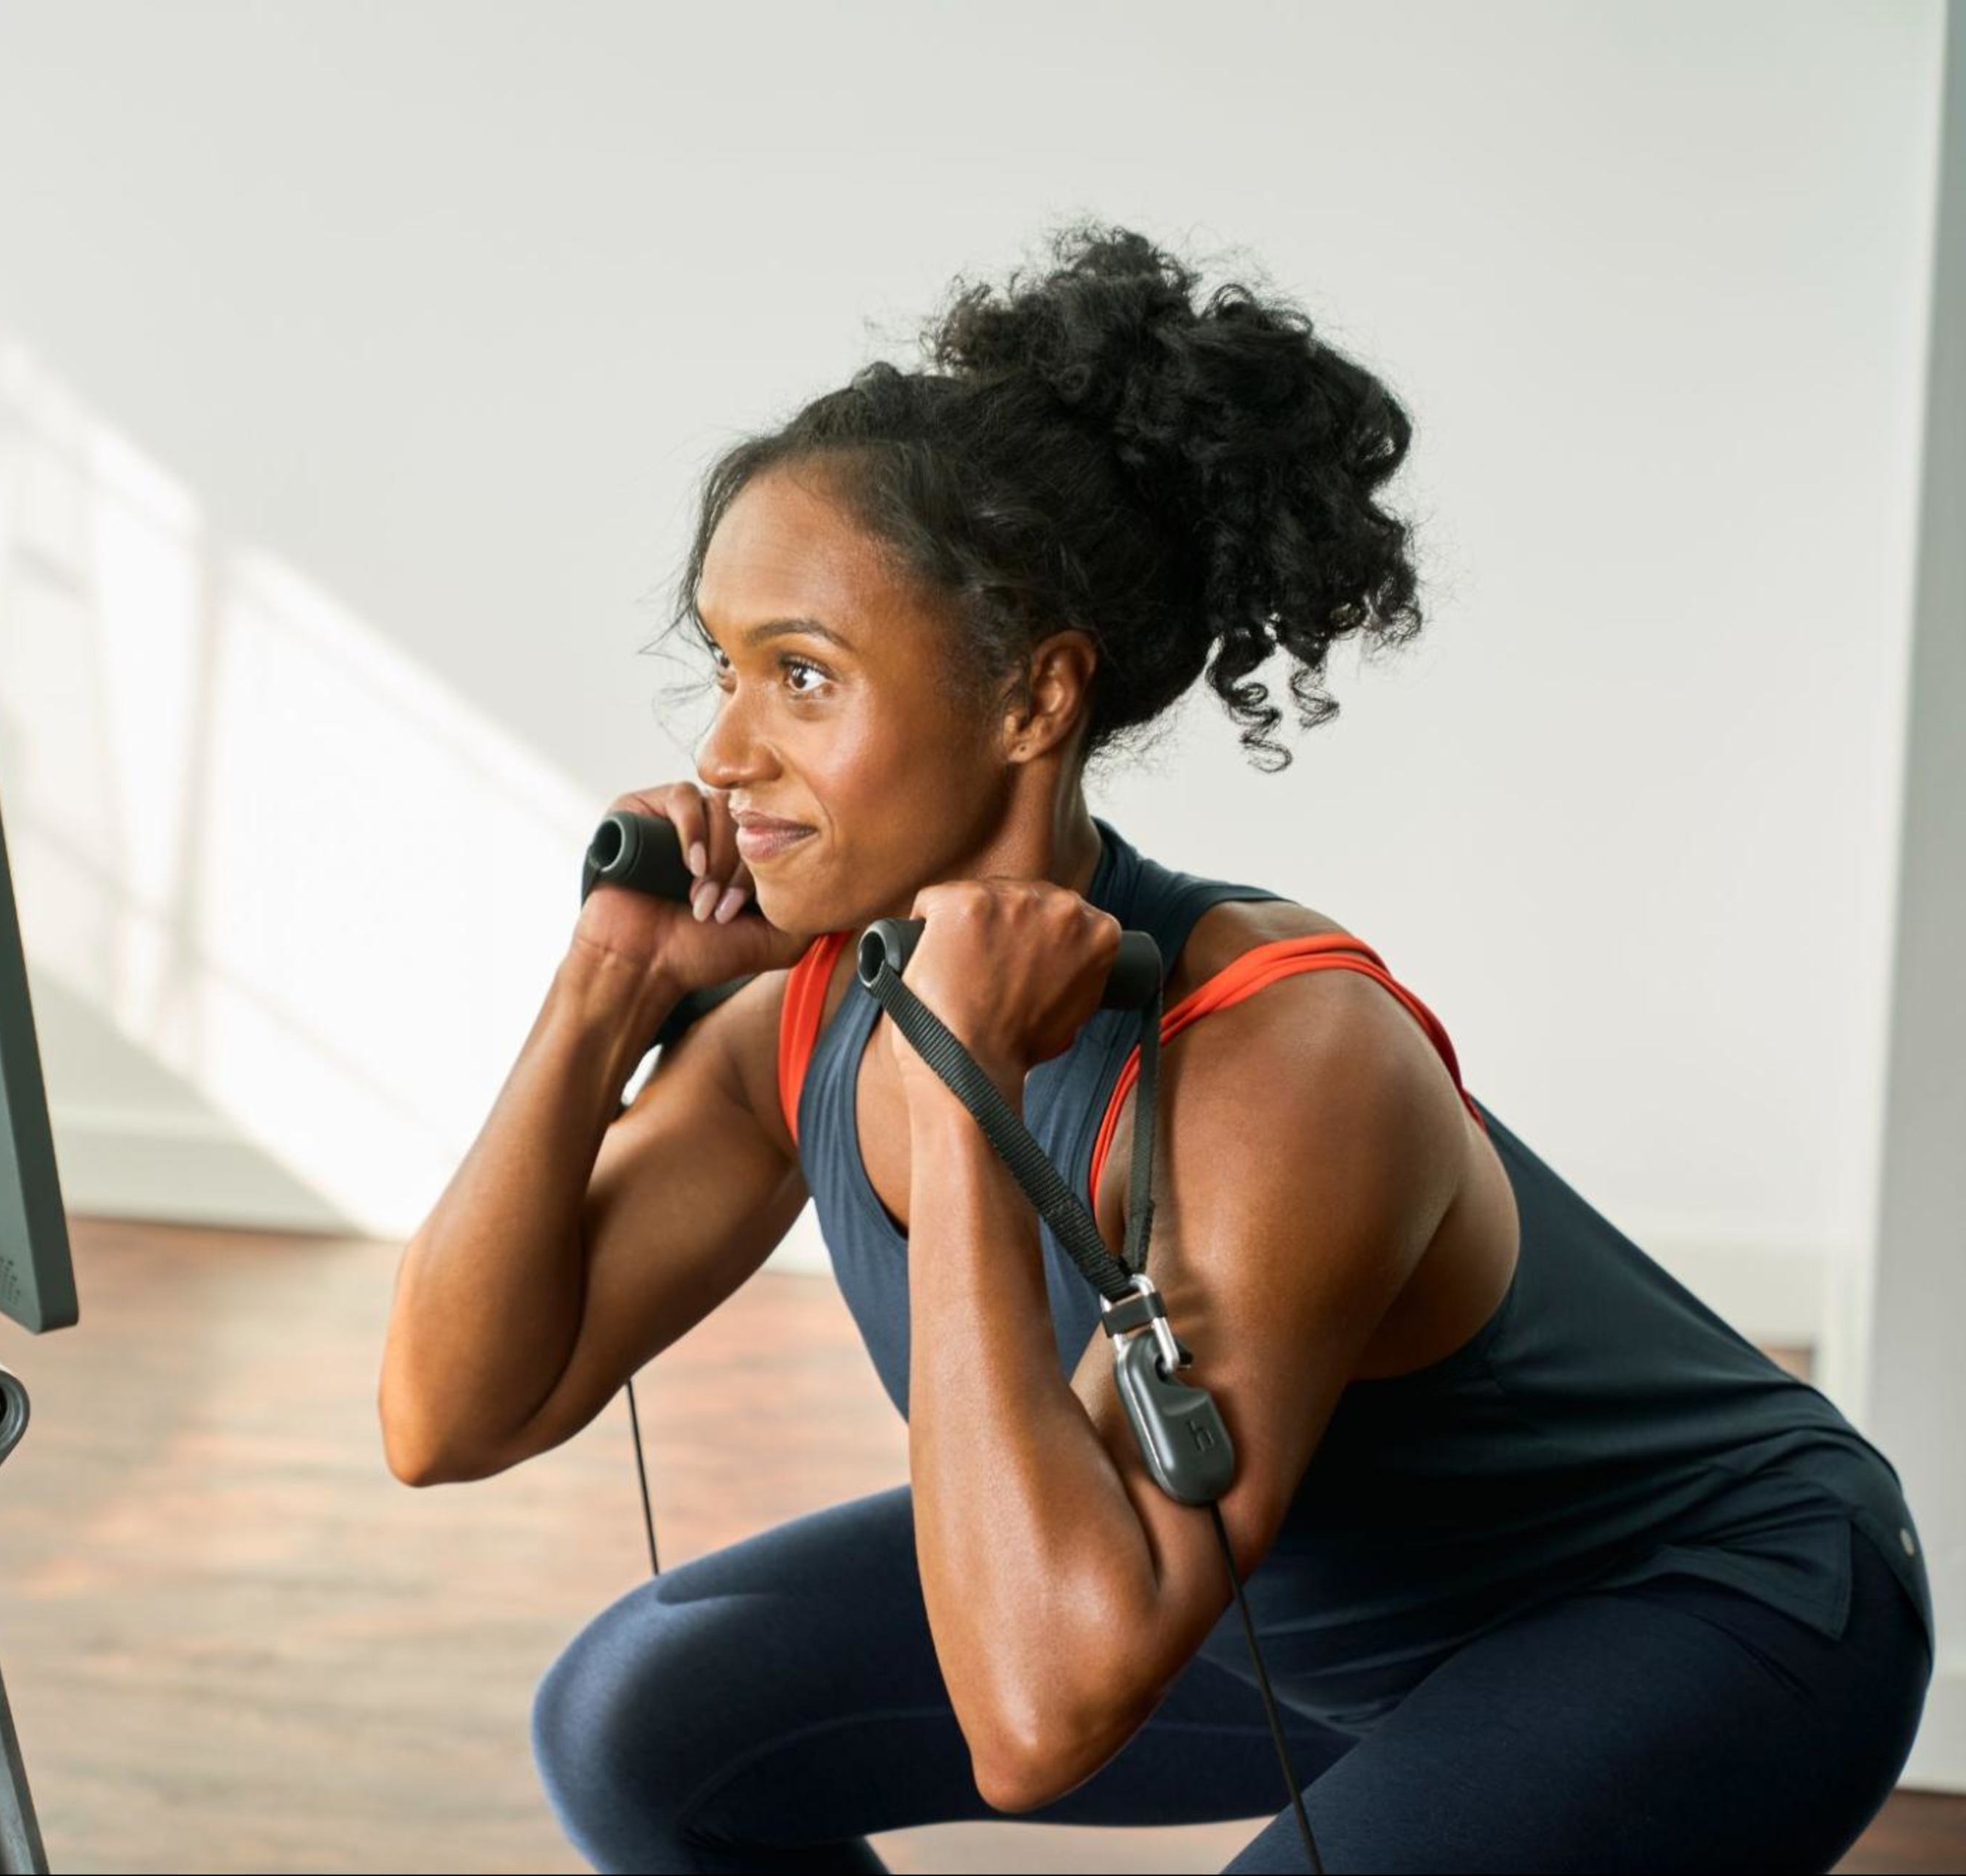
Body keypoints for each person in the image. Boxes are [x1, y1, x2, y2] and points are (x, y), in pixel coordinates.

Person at [376, 223, 1935, 1873]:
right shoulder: (813, 1012)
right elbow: (450, 1418)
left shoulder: (1285, 1058)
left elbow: (1042, 1718)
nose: (724, 747)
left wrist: (970, 1096)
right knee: (643, 1717)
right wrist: (603, 984)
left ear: (1034, 702)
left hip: (1695, 1611)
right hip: (1319, 1626)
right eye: (726, 666)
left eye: (805, 678)